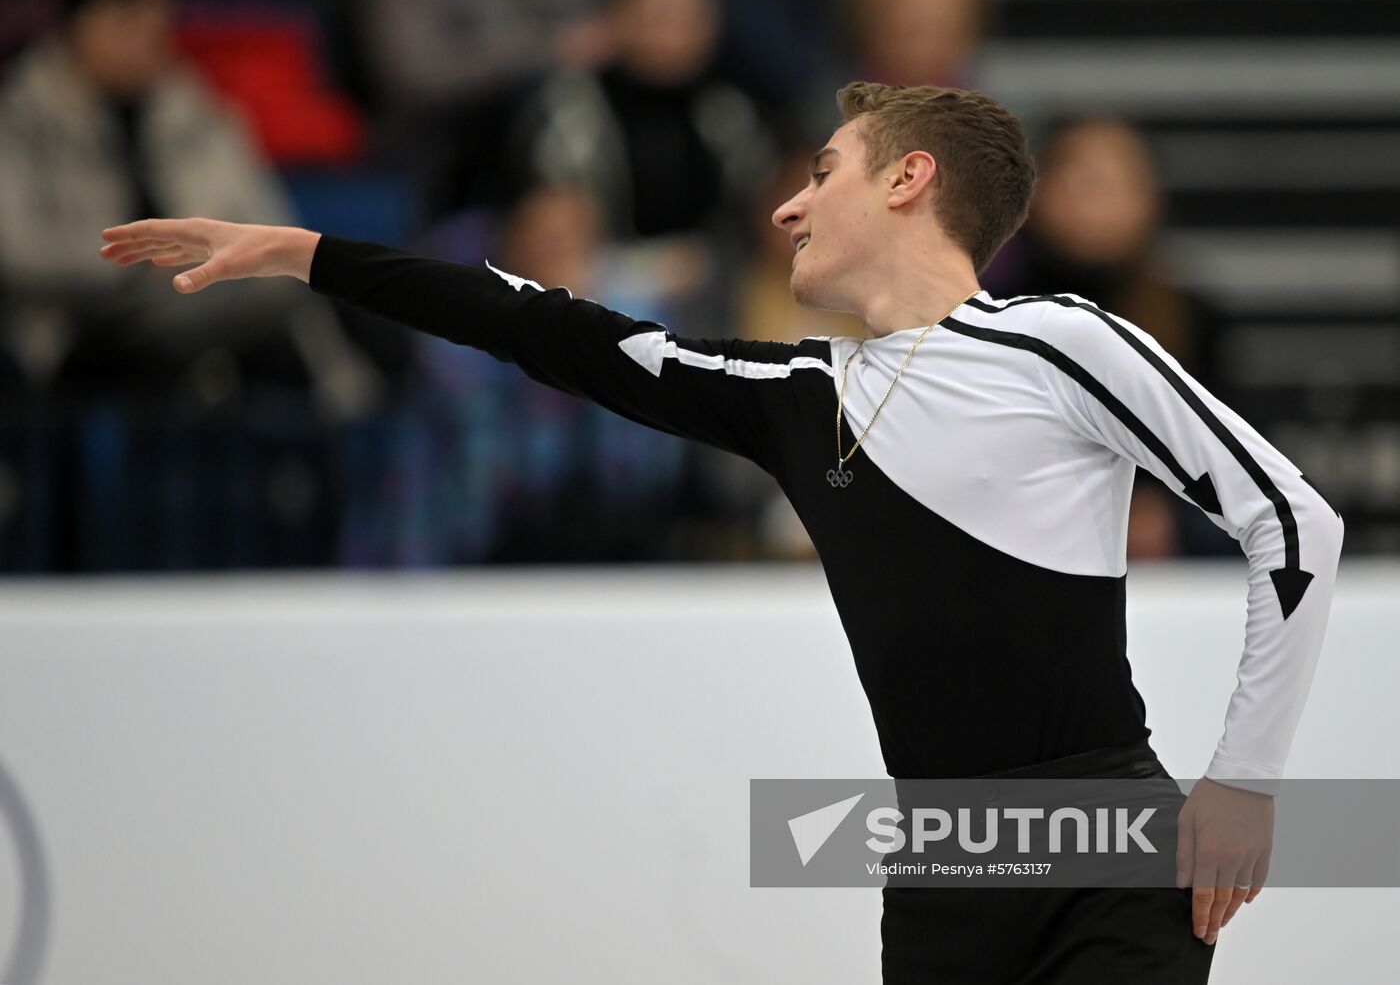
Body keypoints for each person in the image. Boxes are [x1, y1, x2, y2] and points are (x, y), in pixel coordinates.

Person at [98, 81, 1344, 983]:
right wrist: (310, 253)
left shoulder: (1058, 341)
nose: (790, 205)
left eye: (824, 170)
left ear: (910, 179)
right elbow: (552, 327)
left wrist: (1241, 778)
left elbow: (1291, 517)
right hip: (941, 869)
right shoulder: (792, 393)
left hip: (1103, 845)